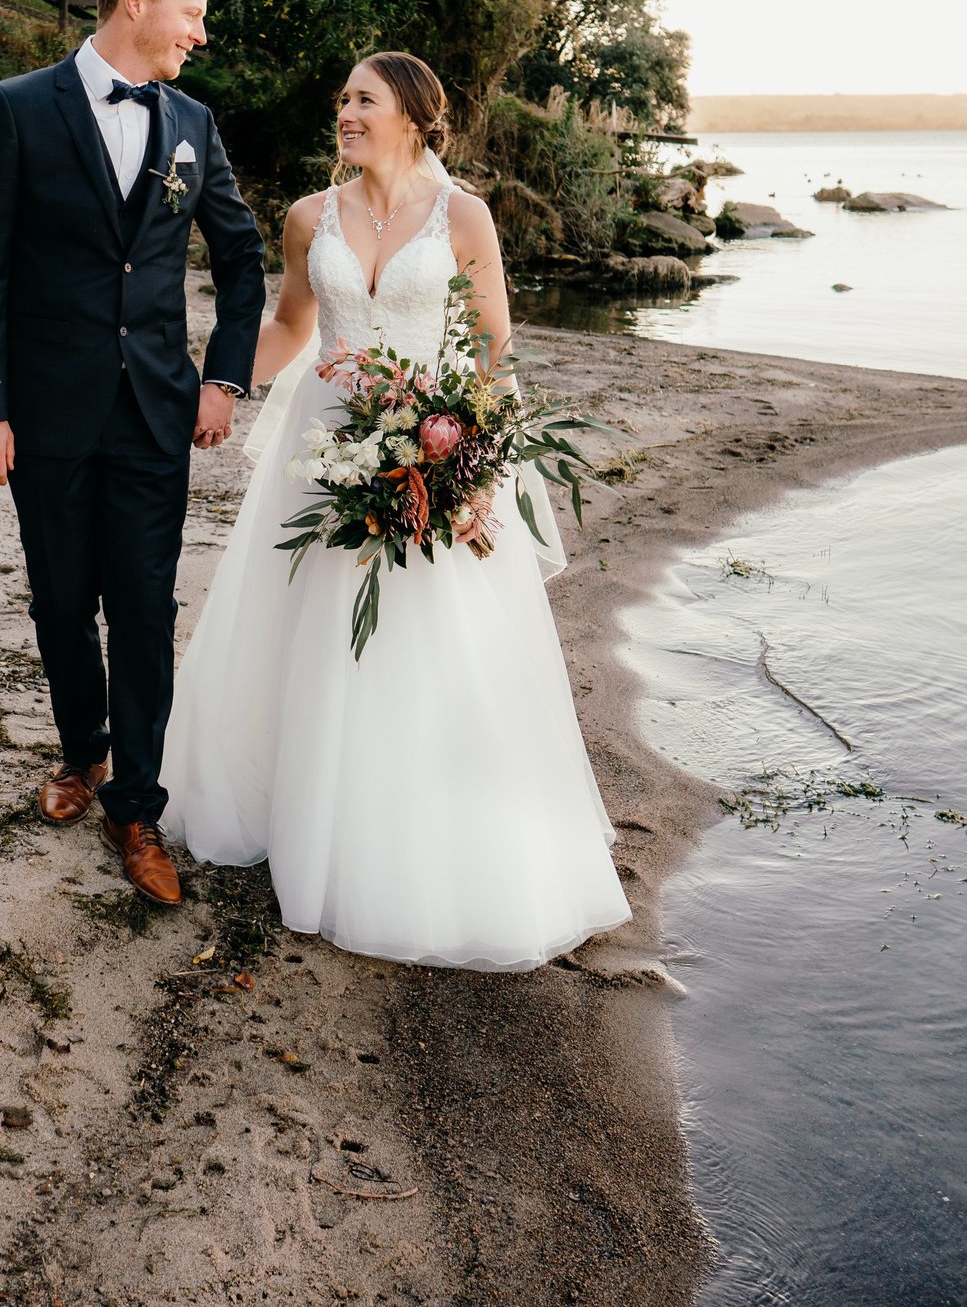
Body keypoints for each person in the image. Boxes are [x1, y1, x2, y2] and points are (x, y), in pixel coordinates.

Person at [160, 52, 631, 970]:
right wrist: (207, 384)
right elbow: (294, 329)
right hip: (321, 452)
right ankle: (308, 822)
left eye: (363, 100)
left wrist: (479, 470)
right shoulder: (307, 218)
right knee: (311, 638)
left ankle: (417, 843)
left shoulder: (464, 217)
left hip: (434, 445)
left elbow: (493, 351)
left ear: (412, 116)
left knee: (425, 648)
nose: (345, 112)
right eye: (341, 99)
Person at [0, 0, 267, 908]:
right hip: (42, 412)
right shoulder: (13, 112)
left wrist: (224, 380)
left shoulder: (193, 125)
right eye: (191, 11)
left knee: (141, 606)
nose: (199, 34)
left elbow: (243, 258)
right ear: (135, 1)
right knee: (58, 603)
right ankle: (81, 752)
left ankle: (135, 807)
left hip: (153, 415)